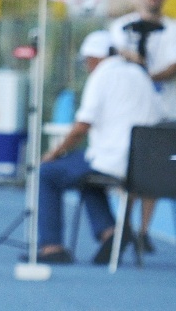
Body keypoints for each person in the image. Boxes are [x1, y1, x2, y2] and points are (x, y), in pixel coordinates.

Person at [34, 30, 160, 265]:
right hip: (141, 165)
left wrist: (55, 153)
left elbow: (82, 126)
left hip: (111, 161)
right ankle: (109, 232)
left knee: (49, 173)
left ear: (94, 58)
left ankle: (51, 246)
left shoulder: (102, 75)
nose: (86, 67)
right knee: (85, 174)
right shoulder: (141, 75)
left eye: (86, 62)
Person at [107, 0, 176, 253]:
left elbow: (175, 65)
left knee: (151, 176)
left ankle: (143, 231)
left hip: (161, 113)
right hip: (128, 115)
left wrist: (144, 77)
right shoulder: (121, 27)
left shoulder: (174, 28)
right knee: (127, 173)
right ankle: (123, 228)